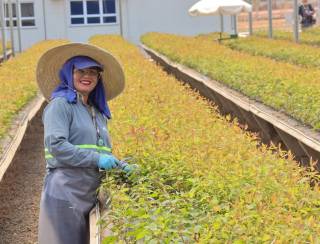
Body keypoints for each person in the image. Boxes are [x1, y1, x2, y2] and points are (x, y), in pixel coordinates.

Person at [36, 43, 133, 244]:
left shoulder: (97, 112)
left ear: (99, 78)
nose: (87, 76)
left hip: (89, 193)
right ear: (68, 73)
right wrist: (98, 159)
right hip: (65, 192)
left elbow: (99, 151)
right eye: (81, 70)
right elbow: (57, 147)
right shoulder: (60, 105)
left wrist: (120, 165)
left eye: (93, 72)